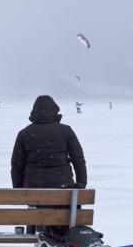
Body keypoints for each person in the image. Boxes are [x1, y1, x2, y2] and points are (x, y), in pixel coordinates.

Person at [11, 96, 87, 236]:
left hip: (34, 191)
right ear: (55, 111)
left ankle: (37, 240)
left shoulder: (24, 134)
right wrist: (81, 185)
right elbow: (79, 160)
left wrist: (19, 190)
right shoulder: (66, 131)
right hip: (63, 190)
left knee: (36, 213)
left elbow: (16, 165)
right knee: (64, 218)